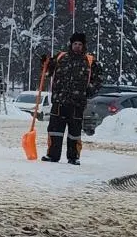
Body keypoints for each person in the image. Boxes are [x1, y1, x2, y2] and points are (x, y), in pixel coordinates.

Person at [40, 32, 102, 165]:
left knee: (74, 133)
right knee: (55, 130)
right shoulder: (61, 57)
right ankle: (52, 155)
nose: (77, 46)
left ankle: (73, 157)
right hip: (59, 102)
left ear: (83, 46)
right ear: (71, 44)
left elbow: (97, 81)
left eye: (80, 44)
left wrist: (87, 91)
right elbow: (48, 71)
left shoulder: (90, 61)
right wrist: (45, 62)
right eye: (75, 44)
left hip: (77, 104)